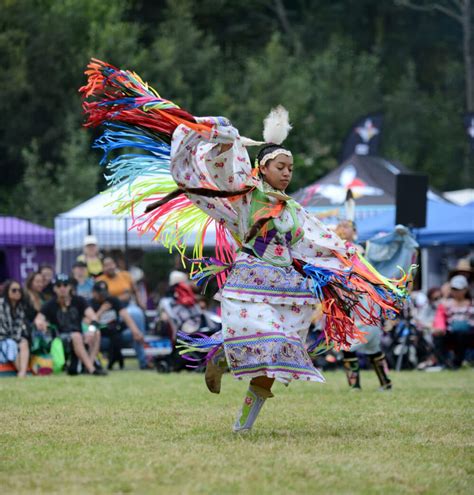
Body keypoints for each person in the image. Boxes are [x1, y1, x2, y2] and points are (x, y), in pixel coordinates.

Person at [81, 60, 408, 432]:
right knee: (268, 343)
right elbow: (221, 167)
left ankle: (242, 419)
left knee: (279, 359)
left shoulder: (293, 211)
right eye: (281, 166)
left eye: (291, 168)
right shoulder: (244, 196)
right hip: (252, 283)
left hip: (288, 289)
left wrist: (357, 266)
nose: (287, 172)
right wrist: (223, 132)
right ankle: (221, 356)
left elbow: (322, 241)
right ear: (263, 167)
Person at [334, 220, 392, 390]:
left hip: (366, 301)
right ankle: (379, 383)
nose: (342, 229)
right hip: (345, 299)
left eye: (346, 226)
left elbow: (386, 254)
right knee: (358, 343)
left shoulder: (364, 249)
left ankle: (367, 384)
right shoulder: (333, 248)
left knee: (362, 342)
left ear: (355, 231)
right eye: (340, 226)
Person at [34, 274, 106, 375]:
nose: (62, 288)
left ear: (70, 287)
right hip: (61, 338)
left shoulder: (79, 300)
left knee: (96, 332)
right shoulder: (50, 304)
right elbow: (38, 319)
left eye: (65, 285)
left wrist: (91, 330)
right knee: (76, 335)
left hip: (80, 335)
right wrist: (41, 323)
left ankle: (89, 363)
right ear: (54, 288)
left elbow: (93, 317)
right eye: (59, 285)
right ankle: (92, 369)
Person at [90, 280, 146, 370]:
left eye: (104, 293)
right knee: (104, 331)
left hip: (116, 331)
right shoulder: (91, 303)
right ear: (94, 293)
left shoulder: (113, 300)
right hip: (101, 332)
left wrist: (136, 332)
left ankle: (144, 363)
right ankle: (93, 364)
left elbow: (125, 315)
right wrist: (101, 310)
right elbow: (91, 322)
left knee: (133, 333)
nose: (103, 296)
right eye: (100, 294)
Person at [433, 275, 474, 369]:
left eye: (459, 289)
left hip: (469, 334)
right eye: (454, 289)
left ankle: (457, 363)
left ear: (465, 289)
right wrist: (439, 328)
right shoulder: (445, 304)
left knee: (462, 335)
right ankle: (443, 363)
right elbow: (440, 318)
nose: (456, 292)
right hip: (451, 333)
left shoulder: (472, 303)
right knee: (438, 336)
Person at [0, 280, 32, 377]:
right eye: (14, 290)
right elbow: (3, 328)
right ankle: (22, 373)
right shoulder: (1, 305)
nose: (17, 292)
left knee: (24, 342)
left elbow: (18, 327)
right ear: (7, 291)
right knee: (11, 344)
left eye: (19, 290)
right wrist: (14, 338)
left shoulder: (20, 307)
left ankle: (22, 372)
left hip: (13, 336)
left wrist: (17, 338)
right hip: (2, 337)